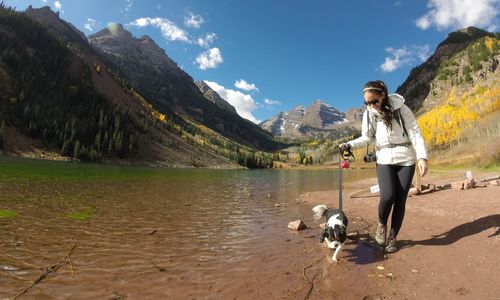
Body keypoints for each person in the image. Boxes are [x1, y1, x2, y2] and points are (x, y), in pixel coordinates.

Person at [340, 80, 428, 253]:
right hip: (384, 158)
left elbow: (415, 133)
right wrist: (348, 144)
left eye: (374, 101)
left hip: (406, 159)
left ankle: (393, 238)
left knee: (400, 200)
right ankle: (382, 225)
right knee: (388, 196)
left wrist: (422, 157)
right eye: (367, 103)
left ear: (383, 95)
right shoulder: (369, 114)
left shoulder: (402, 109)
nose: (371, 105)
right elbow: (366, 138)